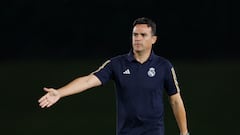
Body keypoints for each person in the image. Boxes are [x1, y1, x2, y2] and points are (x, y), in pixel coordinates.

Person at [38, 17, 189, 135]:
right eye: (135, 34)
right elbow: (88, 80)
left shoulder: (164, 66)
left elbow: (175, 100)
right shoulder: (116, 64)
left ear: (153, 39)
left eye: (143, 35)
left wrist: (184, 132)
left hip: (153, 132)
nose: (137, 38)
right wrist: (60, 92)